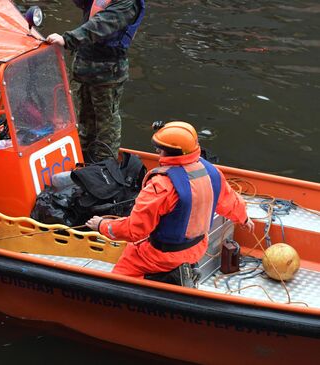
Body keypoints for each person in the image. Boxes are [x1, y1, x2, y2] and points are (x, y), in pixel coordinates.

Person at [85, 121, 255, 280]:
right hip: (197, 248)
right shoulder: (211, 172)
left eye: (158, 148)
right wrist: (244, 218)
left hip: (160, 256)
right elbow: (229, 201)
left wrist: (102, 225)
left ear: (164, 151)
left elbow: (135, 231)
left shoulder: (161, 186)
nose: (157, 151)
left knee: (119, 278)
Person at [46, 0, 146, 162]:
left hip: (107, 74)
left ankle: (105, 168)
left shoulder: (128, 3)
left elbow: (102, 24)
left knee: (106, 124)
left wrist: (68, 39)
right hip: (85, 68)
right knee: (85, 122)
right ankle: (83, 160)